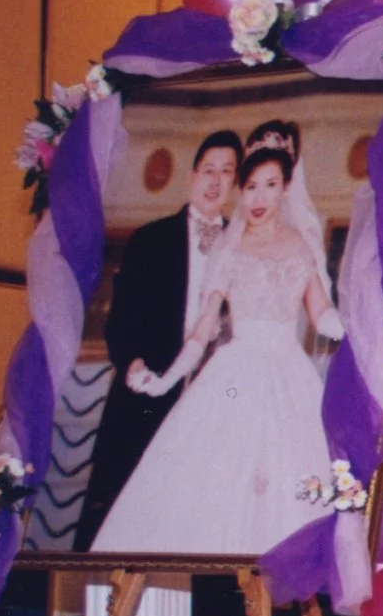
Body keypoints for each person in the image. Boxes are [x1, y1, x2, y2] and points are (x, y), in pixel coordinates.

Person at [91, 138, 343, 556]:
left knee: (285, 478)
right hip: (233, 377)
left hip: (287, 377)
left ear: (285, 189)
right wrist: (166, 379)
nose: (259, 197)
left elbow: (322, 314)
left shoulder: (300, 247)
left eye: (270, 185)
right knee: (212, 481)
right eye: (251, 186)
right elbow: (202, 331)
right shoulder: (231, 249)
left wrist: (357, 327)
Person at [76, 129, 239, 550]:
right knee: (124, 519)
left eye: (226, 172)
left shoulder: (243, 248)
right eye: (208, 170)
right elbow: (120, 322)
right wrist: (133, 363)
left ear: (236, 183)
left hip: (212, 404)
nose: (215, 182)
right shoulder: (150, 239)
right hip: (146, 397)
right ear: (192, 175)